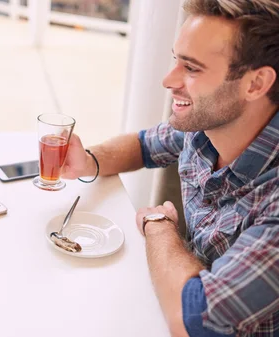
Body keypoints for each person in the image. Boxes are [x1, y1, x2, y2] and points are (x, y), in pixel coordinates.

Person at [61, 1, 279, 336]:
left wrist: (158, 225)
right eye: (175, 59)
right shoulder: (206, 126)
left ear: (255, 84)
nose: (168, 79)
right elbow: (145, 145)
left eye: (191, 69)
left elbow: (196, 321)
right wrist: (90, 160)